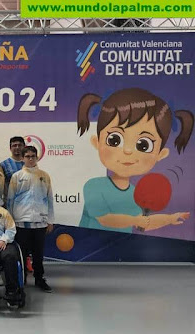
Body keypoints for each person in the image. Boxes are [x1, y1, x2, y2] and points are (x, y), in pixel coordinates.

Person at [77, 88, 192, 232]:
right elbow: (105, 219)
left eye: (143, 145)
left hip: (120, 249)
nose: (128, 151)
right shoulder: (93, 186)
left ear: (160, 154)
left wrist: (170, 218)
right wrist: (135, 220)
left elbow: (144, 223)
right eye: (114, 139)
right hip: (89, 248)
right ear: (97, 142)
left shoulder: (135, 194)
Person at [7, 146, 54, 292]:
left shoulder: (44, 175)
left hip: (40, 221)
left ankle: (39, 279)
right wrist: (10, 221)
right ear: (22, 158)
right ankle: (21, 279)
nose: (31, 158)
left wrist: (50, 220)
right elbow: (10, 200)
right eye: (27, 156)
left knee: (38, 254)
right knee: (21, 253)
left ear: (37, 157)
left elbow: (50, 198)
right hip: (21, 222)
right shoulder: (17, 176)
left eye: (33, 156)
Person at [0, 136, 25, 201]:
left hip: (27, 202)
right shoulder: (3, 165)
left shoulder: (29, 164)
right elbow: (2, 185)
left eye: (20, 145)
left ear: (24, 147)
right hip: (10, 201)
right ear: (10, 148)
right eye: (14, 145)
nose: (17, 147)